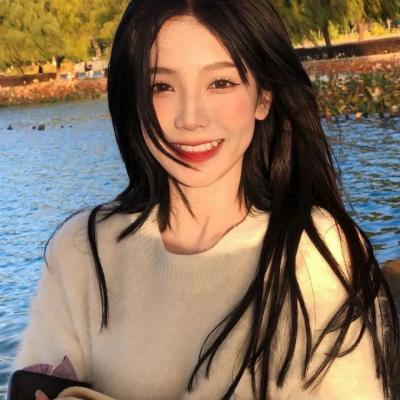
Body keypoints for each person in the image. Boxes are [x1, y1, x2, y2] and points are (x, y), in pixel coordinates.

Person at [10, 0, 399, 399]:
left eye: (221, 83)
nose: (191, 118)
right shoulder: (82, 251)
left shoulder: (317, 251)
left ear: (263, 97)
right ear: (132, 101)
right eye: (161, 87)